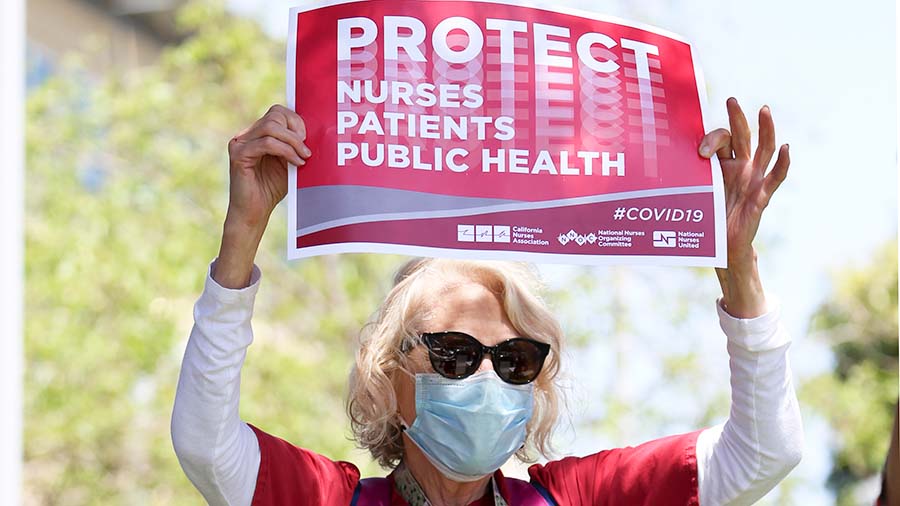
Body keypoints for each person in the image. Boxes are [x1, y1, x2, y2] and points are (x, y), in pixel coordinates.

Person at [171, 98, 803, 505]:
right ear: (386, 379)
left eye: (515, 361)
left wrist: (739, 269)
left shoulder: (573, 500)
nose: (485, 377)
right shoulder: (329, 499)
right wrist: (242, 238)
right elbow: (204, 441)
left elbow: (765, 450)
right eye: (452, 354)